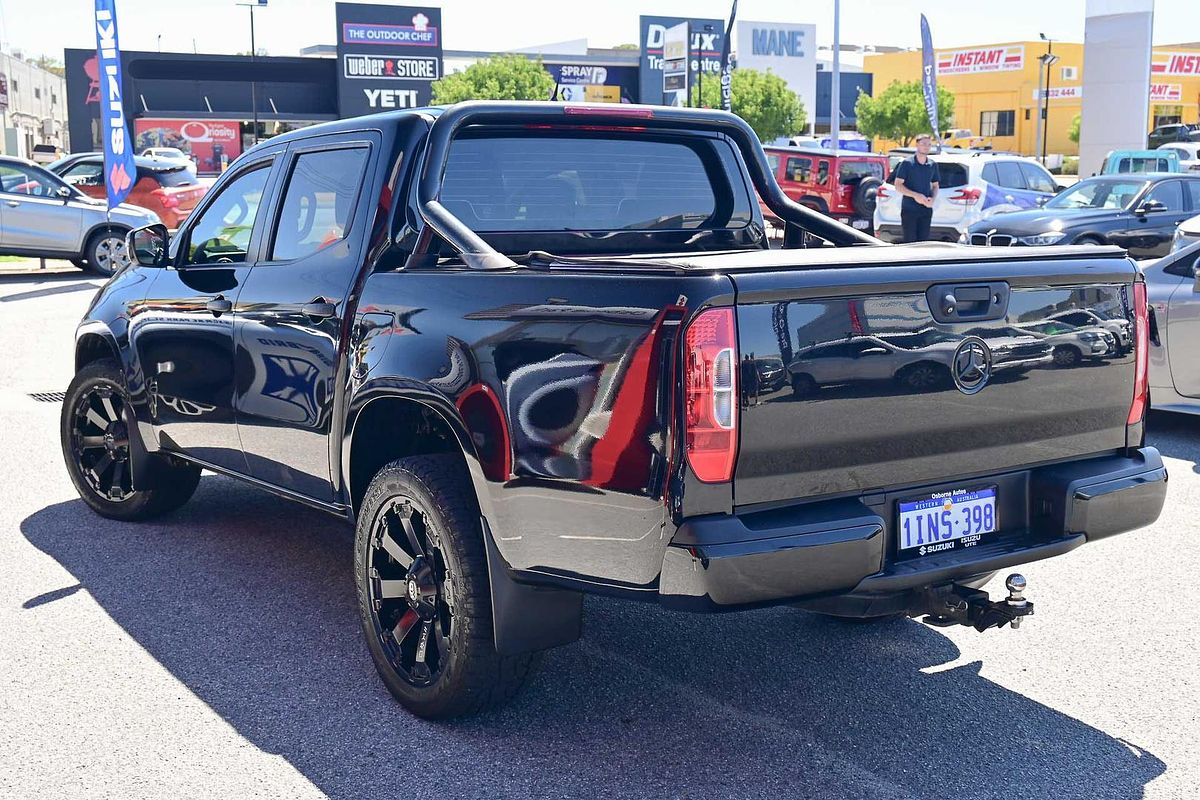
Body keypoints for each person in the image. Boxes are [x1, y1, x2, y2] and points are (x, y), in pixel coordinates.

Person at [893, 133, 940, 243]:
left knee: (923, 243)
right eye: (923, 144)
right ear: (917, 145)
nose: (926, 146)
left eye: (929, 144)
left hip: (926, 209)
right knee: (910, 242)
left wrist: (932, 199)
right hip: (909, 209)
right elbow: (898, 185)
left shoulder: (932, 165)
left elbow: (935, 185)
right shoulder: (907, 163)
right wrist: (915, 195)